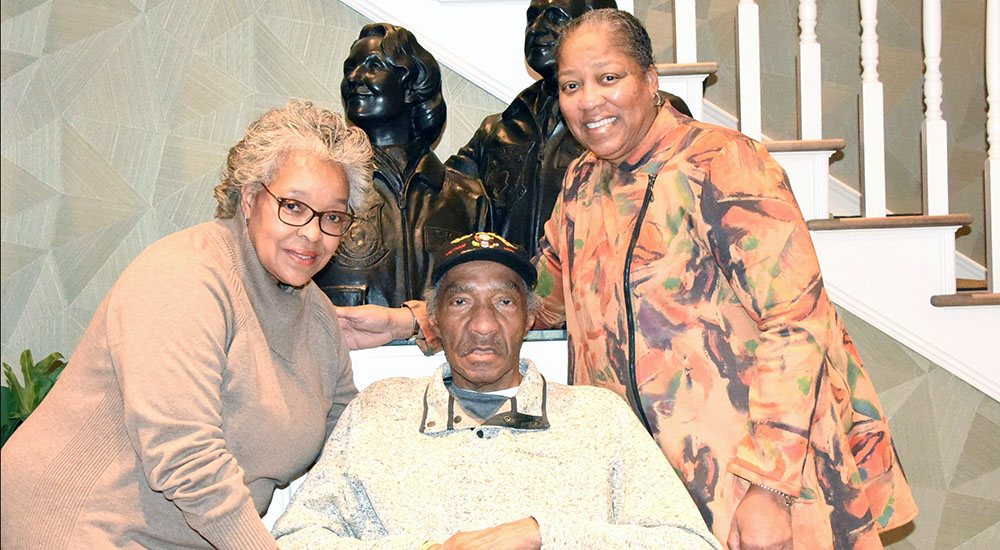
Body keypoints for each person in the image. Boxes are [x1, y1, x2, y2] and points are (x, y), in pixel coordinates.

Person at [337, 10, 918, 550]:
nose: (590, 102)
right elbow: (541, 299)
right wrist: (415, 317)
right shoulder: (582, 183)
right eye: (571, 85)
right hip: (646, 484)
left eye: (608, 77)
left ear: (651, 79)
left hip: (756, 474)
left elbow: (797, 323)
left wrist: (769, 488)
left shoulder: (724, 163)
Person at [0, 101, 369, 550]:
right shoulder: (185, 275)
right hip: (76, 529)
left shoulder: (319, 319)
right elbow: (184, 454)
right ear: (250, 198)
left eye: (332, 217)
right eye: (293, 206)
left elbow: (354, 437)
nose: (312, 233)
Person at [273, 232, 721, 550]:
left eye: (504, 302)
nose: (483, 325)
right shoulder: (379, 410)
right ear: (434, 320)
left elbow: (688, 542)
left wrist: (540, 534)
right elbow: (297, 539)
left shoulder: (599, 417)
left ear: (529, 317)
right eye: (461, 301)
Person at [446, 0, 690, 259]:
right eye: (532, 17)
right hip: (524, 290)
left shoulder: (646, 116)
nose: (537, 28)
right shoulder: (499, 129)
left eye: (555, 16)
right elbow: (444, 193)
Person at [313, 23, 491, 308]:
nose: (354, 78)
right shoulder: (323, 190)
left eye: (373, 65)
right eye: (350, 68)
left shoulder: (468, 200)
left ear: (411, 87)